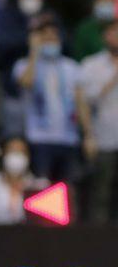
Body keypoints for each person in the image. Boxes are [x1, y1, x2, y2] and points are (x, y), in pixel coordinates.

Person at [14, 14, 95, 183]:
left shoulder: (71, 67)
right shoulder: (24, 64)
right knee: (41, 188)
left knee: (67, 189)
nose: (50, 41)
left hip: (68, 138)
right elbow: (27, 82)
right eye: (46, 37)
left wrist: (88, 134)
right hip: (39, 138)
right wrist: (34, 53)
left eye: (54, 37)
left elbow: (80, 103)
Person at [80, 18, 118, 222]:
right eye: (114, 31)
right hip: (104, 139)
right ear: (105, 36)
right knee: (101, 193)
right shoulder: (92, 65)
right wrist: (88, 136)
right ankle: (99, 244)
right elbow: (86, 100)